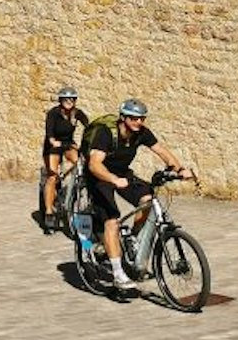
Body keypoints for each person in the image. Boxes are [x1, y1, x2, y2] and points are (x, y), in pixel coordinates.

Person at [85, 98, 193, 292]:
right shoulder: (106, 133)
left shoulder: (141, 133)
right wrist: (113, 179)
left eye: (142, 118)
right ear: (123, 117)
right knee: (112, 221)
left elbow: (161, 151)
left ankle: (133, 238)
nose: (139, 122)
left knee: (148, 200)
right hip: (99, 177)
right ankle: (118, 274)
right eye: (134, 118)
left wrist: (179, 169)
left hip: (123, 174)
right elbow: (94, 164)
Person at [41, 86, 89, 234]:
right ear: (61, 100)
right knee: (52, 177)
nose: (69, 101)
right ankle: (49, 213)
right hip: (53, 146)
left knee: (80, 164)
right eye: (66, 99)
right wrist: (54, 142)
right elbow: (50, 135)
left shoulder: (76, 113)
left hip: (68, 144)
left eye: (72, 99)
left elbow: (89, 125)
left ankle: (76, 187)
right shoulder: (53, 113)